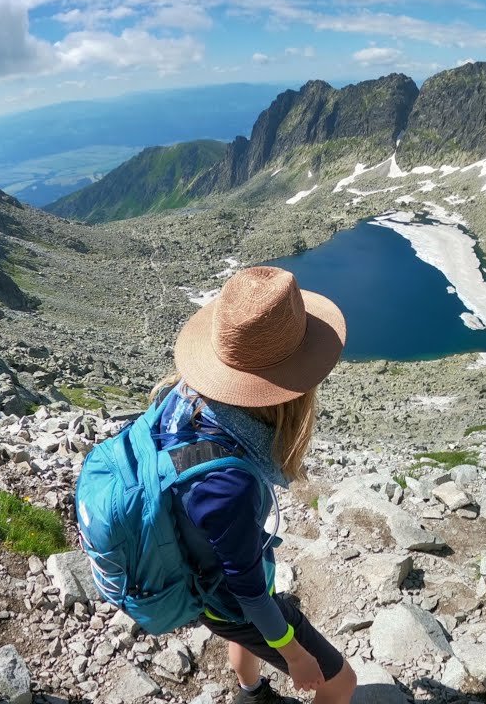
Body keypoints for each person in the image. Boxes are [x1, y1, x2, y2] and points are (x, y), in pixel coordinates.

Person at [153, 266, 356, 704]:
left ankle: (251, 693)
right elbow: (246, 589)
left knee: (243, 631)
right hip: (223, 594)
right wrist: (294, 654)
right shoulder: (229, 484)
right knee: (340, 684)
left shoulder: (180, 400)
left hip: (200, 575)